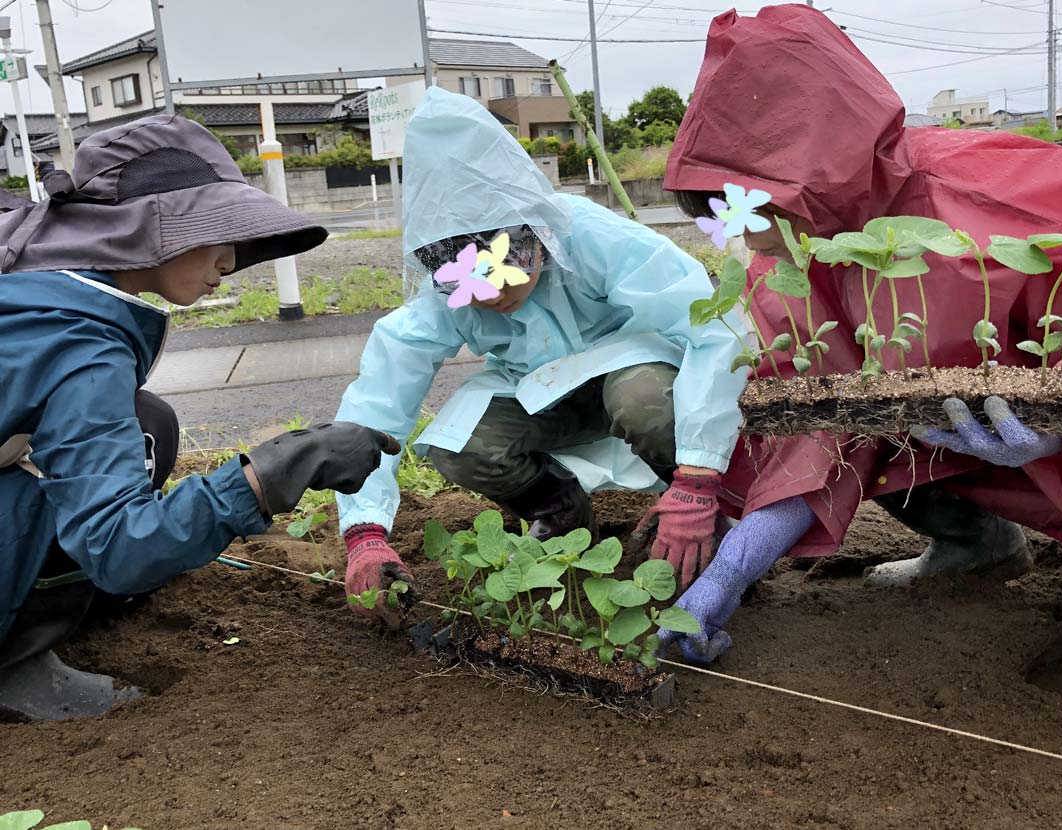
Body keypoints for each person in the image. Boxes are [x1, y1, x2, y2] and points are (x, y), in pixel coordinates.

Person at [659, 4, 1062, 719]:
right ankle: (976, 546)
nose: (741, 236)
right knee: (864, 416)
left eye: (746, 208)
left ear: (802, 168)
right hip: (971, 444)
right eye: (718, 214)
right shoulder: (789, 260)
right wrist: (732, 571)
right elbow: (819, 430)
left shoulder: (981, 190)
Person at [0, 115, 400, 722]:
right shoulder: (77, 344)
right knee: (44, 490)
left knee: (147, 424)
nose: (231, 257)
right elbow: (117, 543)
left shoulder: (38, 277)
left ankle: (61, 601)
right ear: (149, 229)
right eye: (218, 230)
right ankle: (14, 665)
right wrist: (276, 472)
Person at [334, 87, 748, 626]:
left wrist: (699, 476)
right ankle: (562, 515)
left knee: (643, 400)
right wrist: (364, 531)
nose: (489, 295)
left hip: (634, 378)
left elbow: (714, 328)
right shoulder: (445, 291)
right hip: (541, 392)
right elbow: (378, 403)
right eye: (468, 282)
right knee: (460, 445)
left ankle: (705, 522)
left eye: (502, 269)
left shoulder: (592, 237)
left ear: (533, 232)